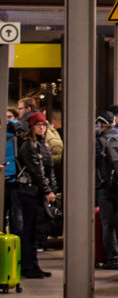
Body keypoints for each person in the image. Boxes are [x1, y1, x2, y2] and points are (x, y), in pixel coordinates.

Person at [13, 111, 57, 279]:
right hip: (29, 192)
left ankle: (33, 264)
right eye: (38, 125)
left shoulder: (41, 144)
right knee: (29, 229)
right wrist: (47, 190)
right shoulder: (29, 145)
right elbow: (36, 171)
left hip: (37, 192)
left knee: (34, 230)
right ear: (32, 127)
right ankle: (28, 265)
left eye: (44, 125)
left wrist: (51, 188)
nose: (42, 128)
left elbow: (48, 169)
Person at [95, 112, 118, 269]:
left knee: (108, 225)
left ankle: (113, 259)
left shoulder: (97, 143)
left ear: (101, 125)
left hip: (105, 187)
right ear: (114, 124)